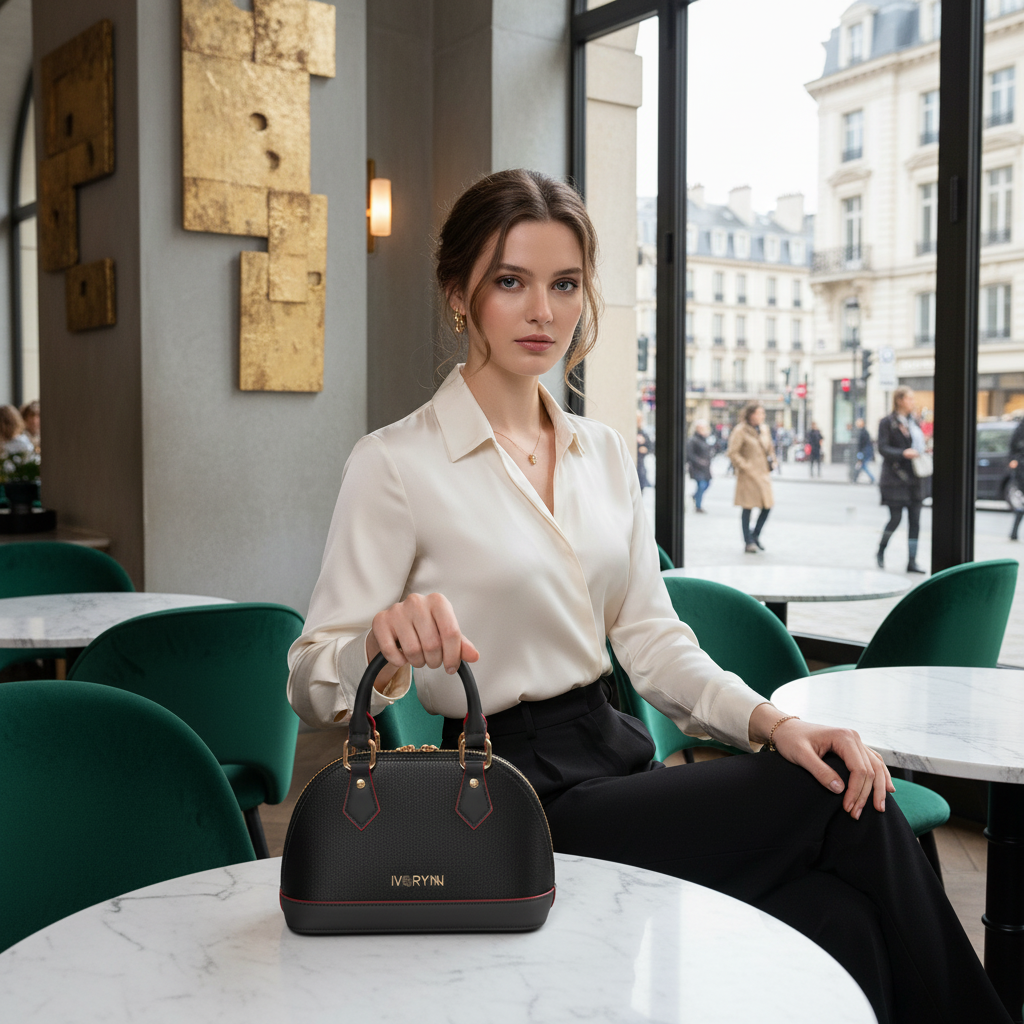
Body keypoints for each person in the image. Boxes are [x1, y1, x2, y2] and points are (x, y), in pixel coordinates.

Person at [287, 169, 1011, 1024]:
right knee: (837, 797)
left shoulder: (601, 453)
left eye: (564, 285)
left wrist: (775, 724)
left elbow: (655, 641)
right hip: (509, 795)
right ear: (459, 293)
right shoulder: (396, 463)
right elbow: (309, 679)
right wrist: (382, 643)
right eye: (510, 283)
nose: (542, 312)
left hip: (621, 755)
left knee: (840, 915)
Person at [877, 387, 927, 573]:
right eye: (909, 399)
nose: (912, 402)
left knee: (915, 522)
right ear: (899, 400)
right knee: (895, 519)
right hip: (895, 480)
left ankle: (912, 561)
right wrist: (903, 453)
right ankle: (881, 551)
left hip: (915, 479)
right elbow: (882, 448)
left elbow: (918, 444)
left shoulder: (914, 421)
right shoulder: (887, 422)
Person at [727, 401, 774, 553]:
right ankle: (748, 541)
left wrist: (773, 460)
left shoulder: (764, 429)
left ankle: (755, 535)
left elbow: (770, 448)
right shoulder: (740, 430)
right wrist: (747, 467)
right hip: (748, 476)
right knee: (747, 508)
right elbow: (733, 452)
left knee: (767, 506)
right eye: (760, 413)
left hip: (763, 474)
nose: (762, 416)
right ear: (751, 414)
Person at [685, 421, 712, 512]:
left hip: (705, 467)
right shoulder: (693, 440)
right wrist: (699, 461)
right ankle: (698, 505)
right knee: (701, 484)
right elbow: (690, 454)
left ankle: (695, 496)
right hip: (696, 467)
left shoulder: (705, 439)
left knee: (707, 483)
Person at [1008, 416, 1024, 541]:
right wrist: (1014, 460)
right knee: (1021, 502)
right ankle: (1013, 533)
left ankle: (1013, 533)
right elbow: (1013, 446)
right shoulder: (1020, 428)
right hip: (1021, 469)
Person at [852, 418, 876, 484]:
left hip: (864, 452)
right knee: (862, 465)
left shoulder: (862, 432)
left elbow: (861, 444)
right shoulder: (864, 431)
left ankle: (871, 478)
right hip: (865, 451)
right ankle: (855, 478)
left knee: (863, 465)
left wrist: (860, 453)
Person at [635, 412, 653, 491]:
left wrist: (646, 450)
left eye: (640, 419)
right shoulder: (631, 432)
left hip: (641, 464)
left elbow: (650, 446)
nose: (639, 421)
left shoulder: (643, 433)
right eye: (638, 419)